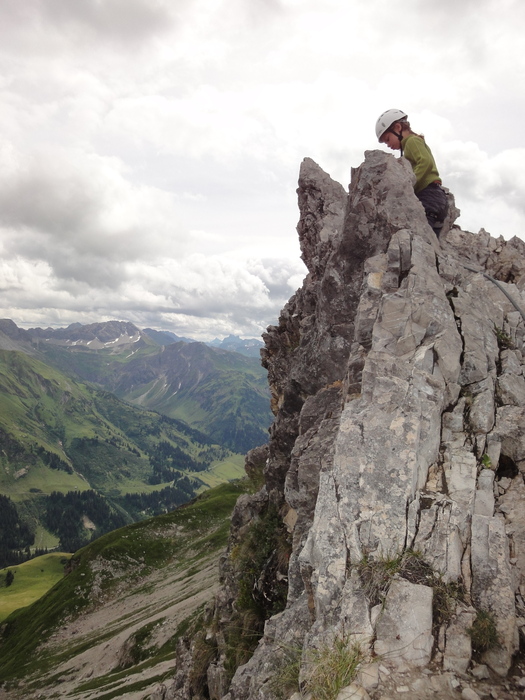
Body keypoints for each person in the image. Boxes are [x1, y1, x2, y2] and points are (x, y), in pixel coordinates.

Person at [375, 109, 448, 236]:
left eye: (387, 139)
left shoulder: (411, 142)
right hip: (437, 199)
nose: (387, 144)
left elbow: (425, 162)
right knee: (430, 243)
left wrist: (409, 183)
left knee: (419, 237)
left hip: (429, 196)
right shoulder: (413, 142)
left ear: (398, 127)